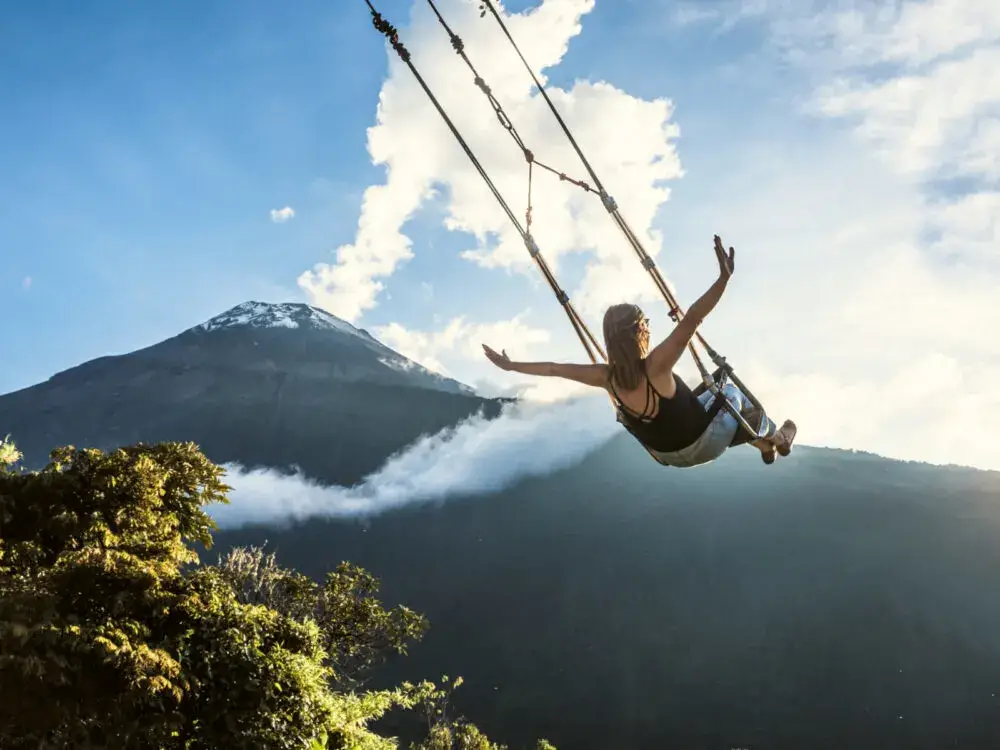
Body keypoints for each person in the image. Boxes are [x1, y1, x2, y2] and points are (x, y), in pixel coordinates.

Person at [481, 236, 797, 467]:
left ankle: (764, 446)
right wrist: (723, 280)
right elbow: (693, 318)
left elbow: (552, 368)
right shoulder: (657, 365)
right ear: (639, 333)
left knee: (710, 391)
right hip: (701, 445)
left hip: (665, 454)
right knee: (727, 390)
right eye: (645, 324)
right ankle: (776, 437)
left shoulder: (605, 377)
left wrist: (510, 366)